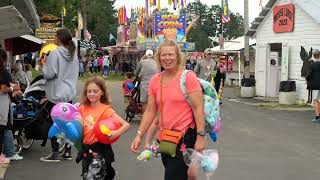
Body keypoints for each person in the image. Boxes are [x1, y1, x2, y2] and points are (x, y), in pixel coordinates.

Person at [131, 40, 205, 180]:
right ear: (158, 57)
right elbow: (151, 111)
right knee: (177, 173)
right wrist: (139, 134)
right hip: (165, 139)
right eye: (163, 55)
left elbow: (198, 107)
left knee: (173, 175)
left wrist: (200, 137)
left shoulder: (188, 77)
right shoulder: (155, 80)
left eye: (171, 54)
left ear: (177, 56)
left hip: (185, 138)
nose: (167, 58)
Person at [78, 77, 130, 179]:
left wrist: (115, 133)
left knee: (92, 177)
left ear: (102, 92)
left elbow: (126, 125)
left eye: (95, 91)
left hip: (99, 151)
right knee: (87, 176)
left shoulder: (106, 110)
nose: (91, 94)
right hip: (86, 151)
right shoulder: (82, 108)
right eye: (89, 91)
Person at [40, 28, 79, 162]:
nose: (54, 39)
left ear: (60, 38)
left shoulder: (55, 54)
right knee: (68, 122)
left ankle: (55, 152)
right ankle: (67, 152)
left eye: (55, 36)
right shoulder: (74, 54)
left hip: (56, 94)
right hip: (69, 93)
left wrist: (44, 64)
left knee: (54, 123)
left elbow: (49, 74)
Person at [0, 48, 22, 163]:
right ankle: (9, 152)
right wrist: (14, 88)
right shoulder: (3, 72)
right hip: (2, 105)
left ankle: (8, 152)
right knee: (5, 127)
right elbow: (3, 89)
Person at [310, 50, 320, 123]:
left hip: (315, 85)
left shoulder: (311, 65)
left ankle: (317, 117)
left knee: (316, 100)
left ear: (313, 56)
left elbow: (308, 75)